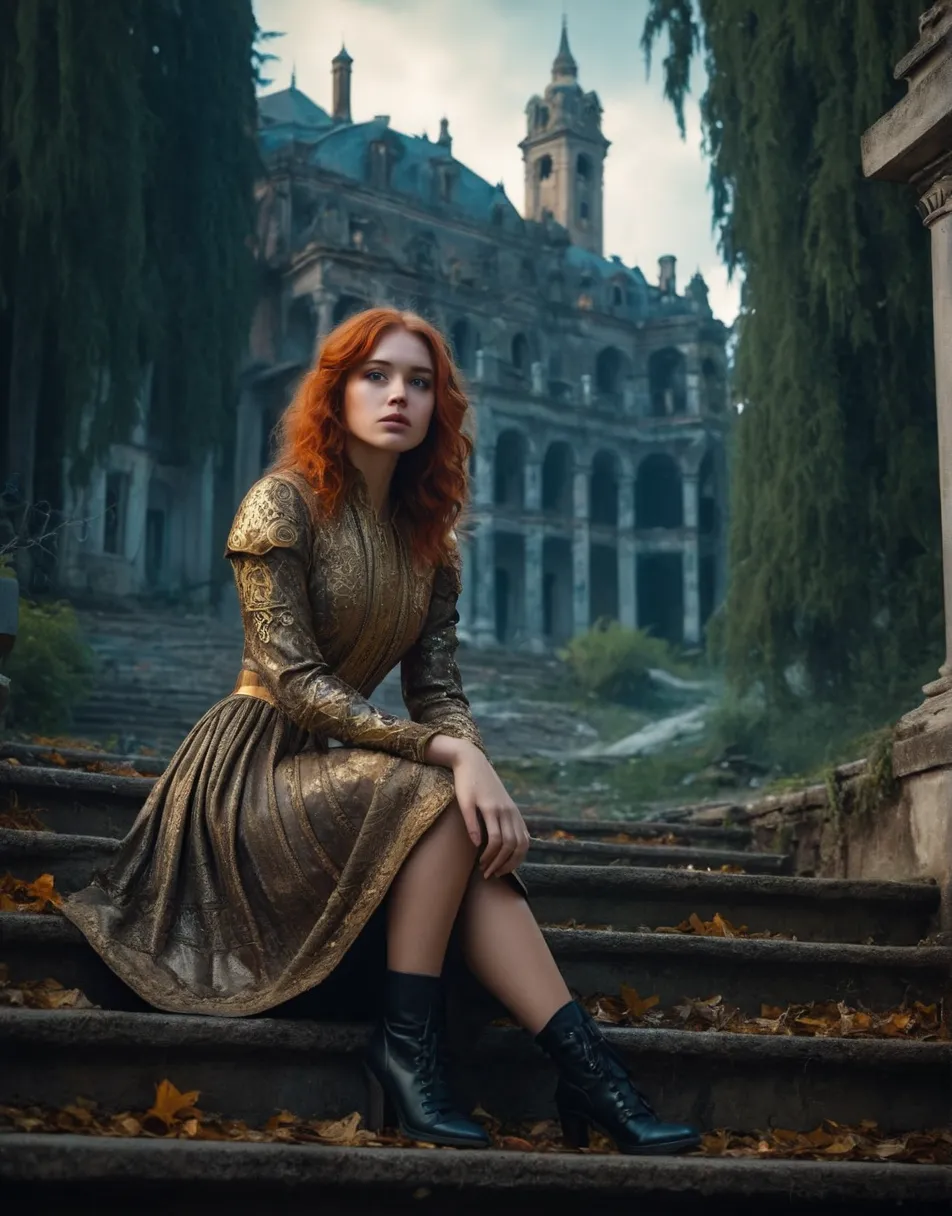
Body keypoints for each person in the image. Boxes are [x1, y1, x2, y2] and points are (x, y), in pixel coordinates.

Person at [63, 308, 699, 1156]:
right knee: (435, 792)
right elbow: (293, 684)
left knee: (448, 809)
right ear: (336, 390)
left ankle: (588, 1071)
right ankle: (417, 1053)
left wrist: (463, 746)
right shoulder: (279, 503)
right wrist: (452, 754)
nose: (398, 394)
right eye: (375, 375)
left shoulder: (432, 546)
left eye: (420, 381)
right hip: (248, 778)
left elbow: (438, 689)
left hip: (340, 779)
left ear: (440, 406)